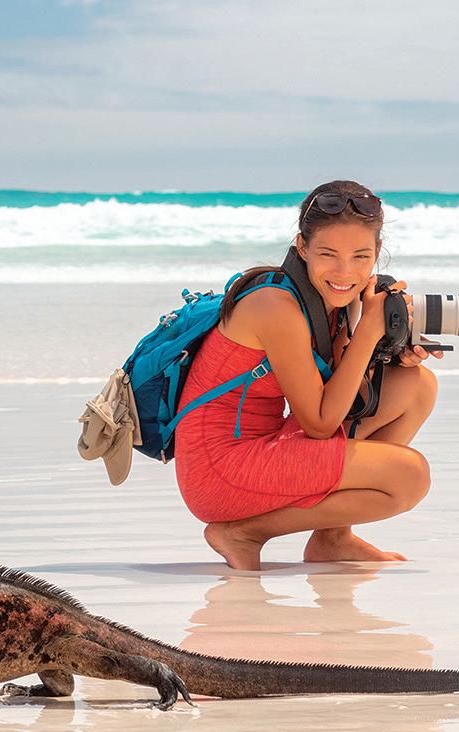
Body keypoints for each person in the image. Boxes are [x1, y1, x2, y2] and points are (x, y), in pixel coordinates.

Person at [174, 179, 442, 571]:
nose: (344, 272)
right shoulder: (275, 305)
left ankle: (333, 538)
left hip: (266, 446)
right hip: (220, 471)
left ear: (377, 252)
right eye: (328, 254)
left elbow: (341, 396)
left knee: (415, 386)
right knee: (410, 476)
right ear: (302, 247)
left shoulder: (329, 300)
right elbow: (319, 424)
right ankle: (244, 532)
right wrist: (369, 331)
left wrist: (391, 352)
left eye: (360, 257)